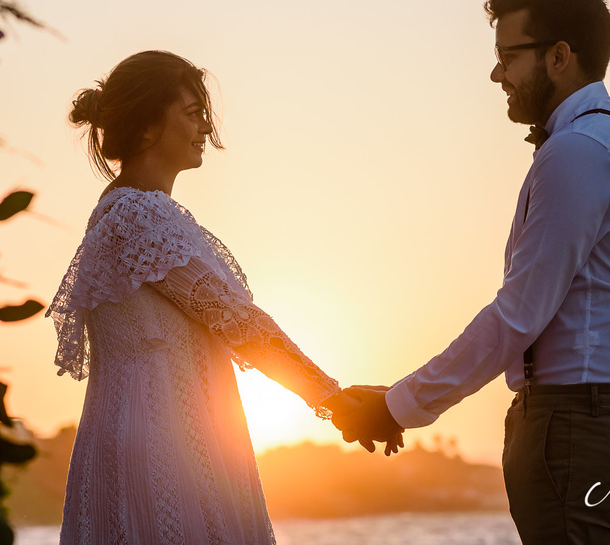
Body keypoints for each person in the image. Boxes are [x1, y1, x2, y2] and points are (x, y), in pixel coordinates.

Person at [334, 0, 610, 544]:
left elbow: (519, 314)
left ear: (560, 56)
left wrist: (400, 405)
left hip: (578, 422)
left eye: (508, 56)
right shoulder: (603, 141)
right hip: (602, 412)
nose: (497, 74)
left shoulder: (579, 152)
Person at [47, 50, 382, 545]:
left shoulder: (138, 212)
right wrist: (333, 398)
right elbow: (239, 324)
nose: (204, 126)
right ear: (144, 130)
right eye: (191, 113)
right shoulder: (137, 215)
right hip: (161, 449)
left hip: (171, 436)